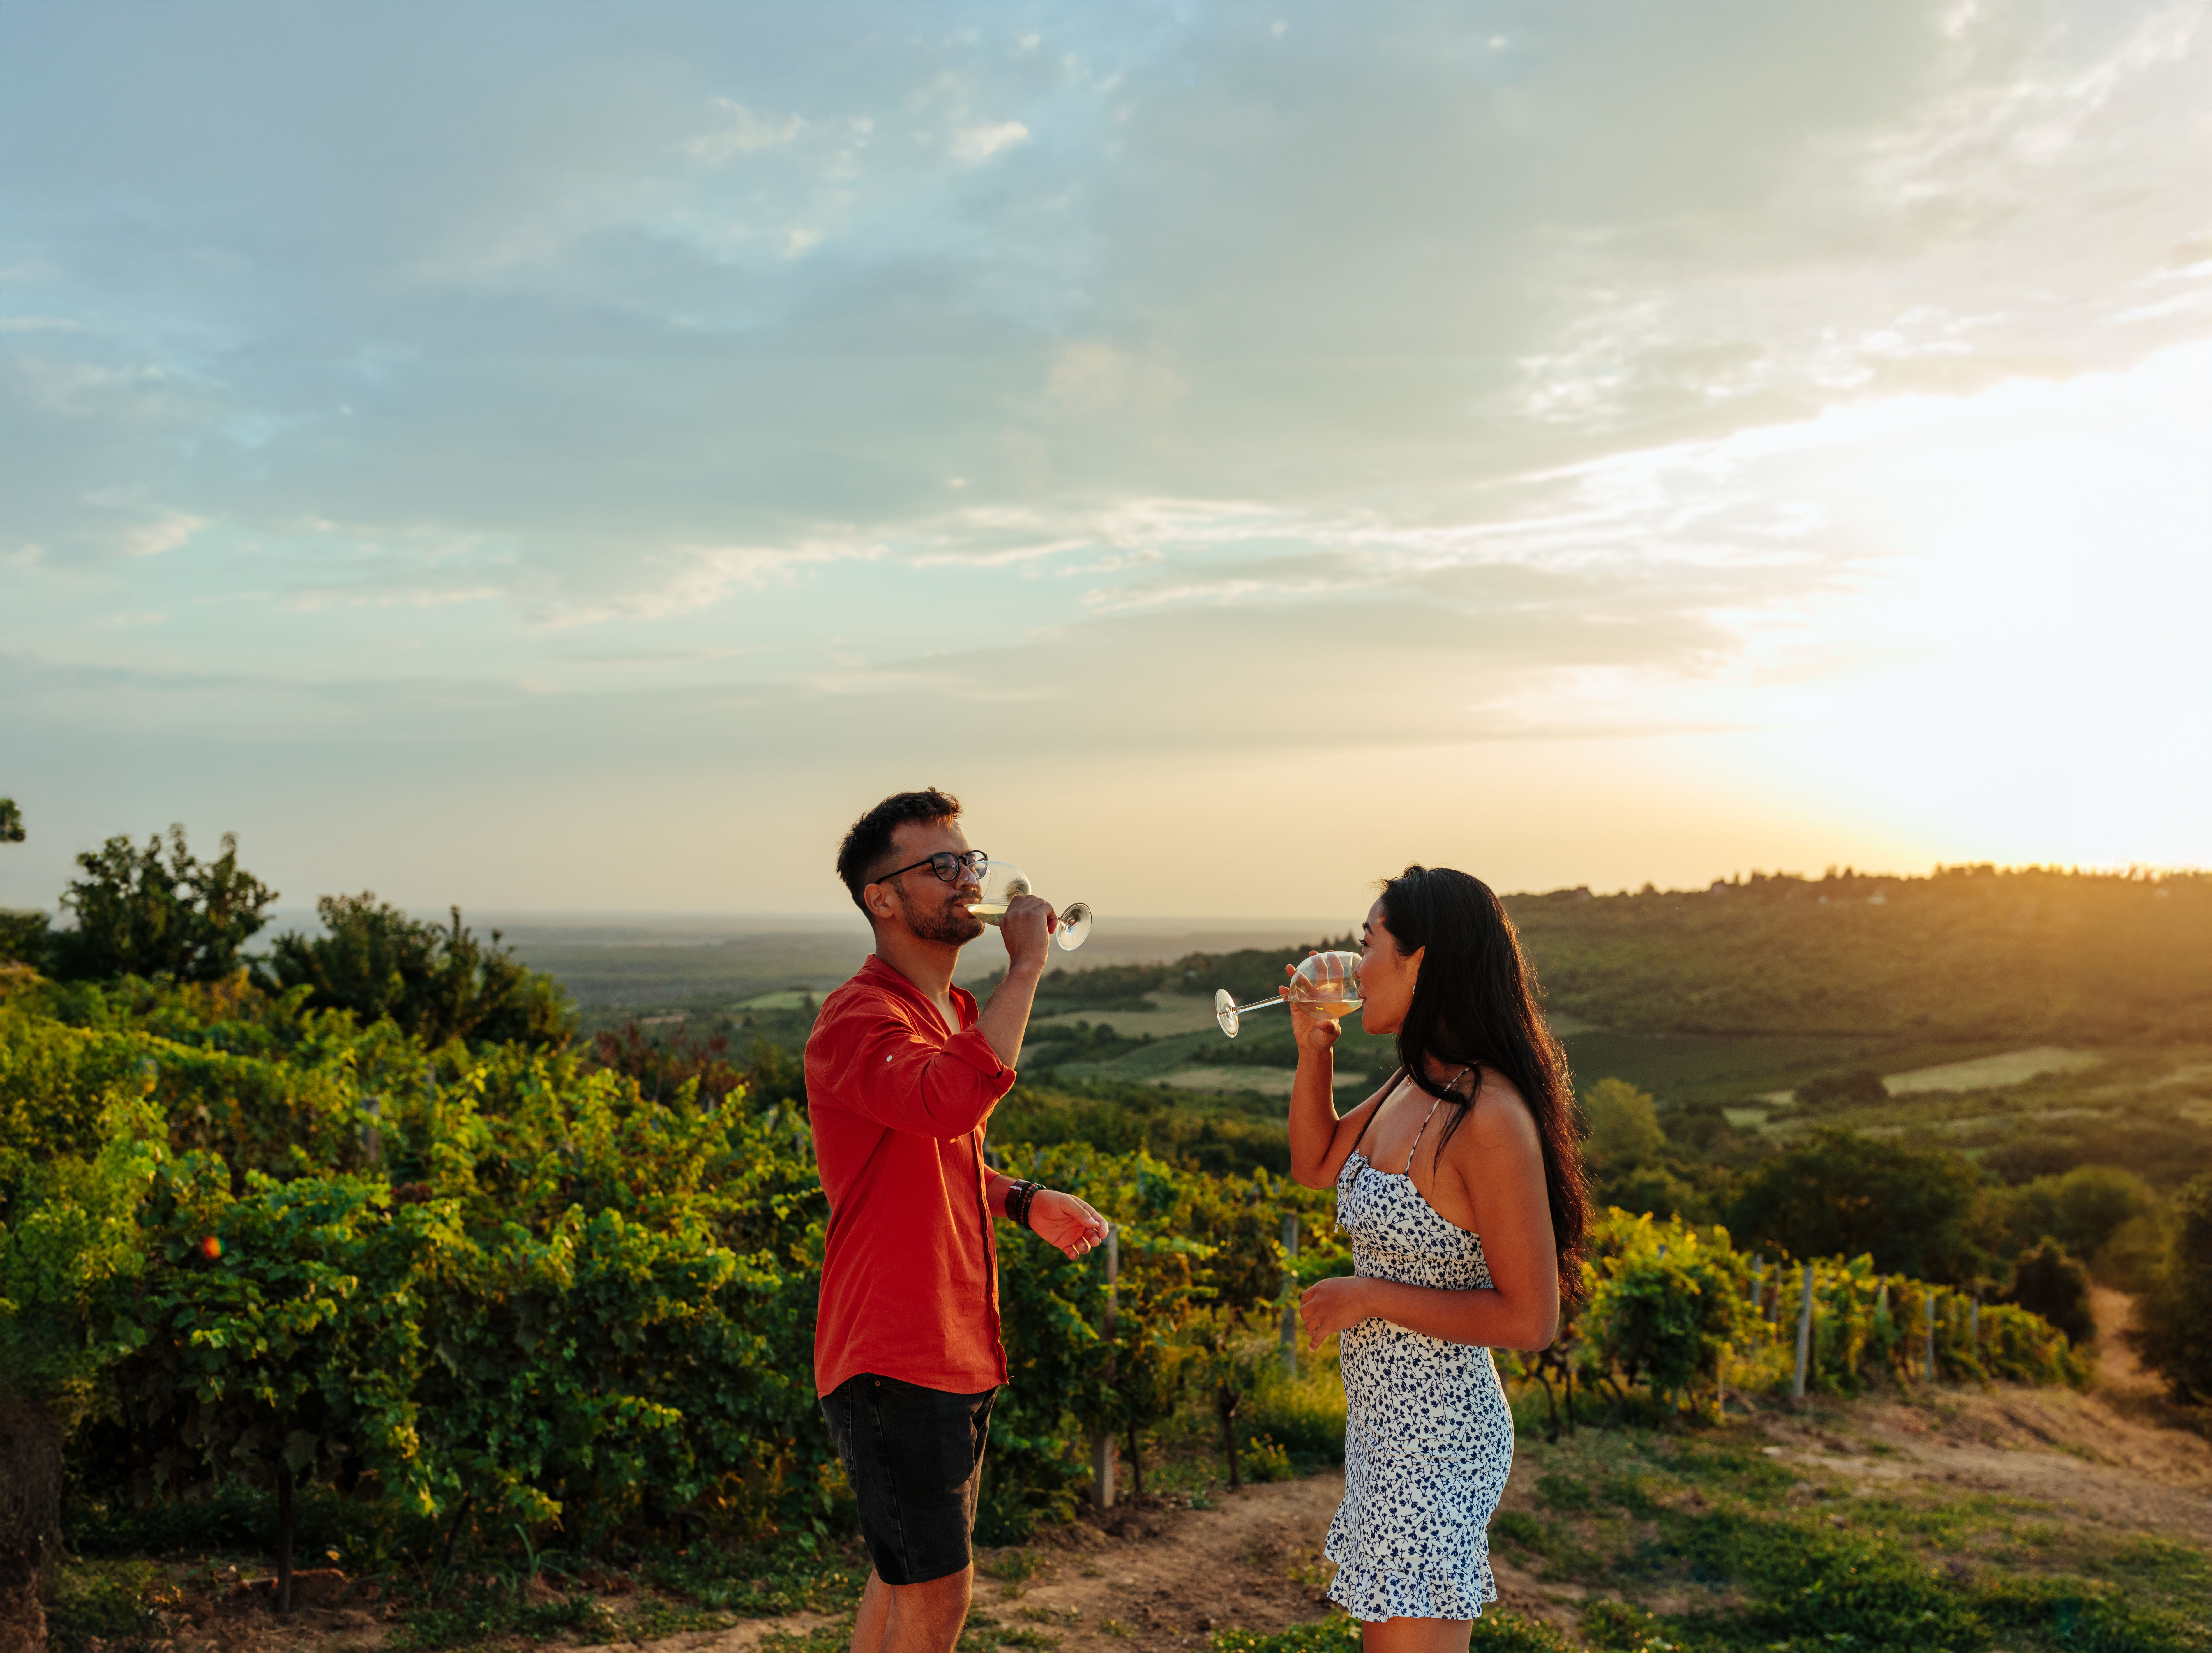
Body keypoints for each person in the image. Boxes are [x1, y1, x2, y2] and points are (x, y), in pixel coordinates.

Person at [806, 788, 1109, 1653]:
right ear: (883, 898)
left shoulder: (953, 1016)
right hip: (892, 1347)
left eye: (966, 860)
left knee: (902, 1573)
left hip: (949, 1344)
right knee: (938, 1595)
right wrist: (1025, 968)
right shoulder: (858, 1020)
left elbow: (936, 1157)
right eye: (939, 865)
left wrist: (1021, 1198)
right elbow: (949, 1102)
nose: (966, 878)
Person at [1288, 866, 1591, 1653]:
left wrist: (1367, 1294)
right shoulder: (1413, 1083)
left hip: (1438, 1437)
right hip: (1386, 1429)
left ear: (1422, 960)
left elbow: (1530, 1317)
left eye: (1368, 942)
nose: (1353, 966)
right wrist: (1312, 1048)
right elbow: (1317, 1161)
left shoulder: (1486, 1114)